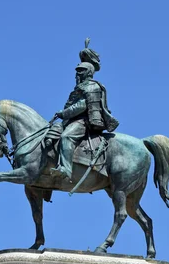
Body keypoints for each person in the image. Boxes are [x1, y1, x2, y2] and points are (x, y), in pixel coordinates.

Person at [51, 42, 119, 181]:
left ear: (88, 72)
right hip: (70, 119)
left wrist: (64, 113)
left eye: (80, 71)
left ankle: (65, 170)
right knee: (50, 134)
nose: (77, 74)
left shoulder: (92, 87)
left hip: (84, 121)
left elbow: (82, 105)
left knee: (66, 137)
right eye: (77, 71)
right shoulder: (79, 87)